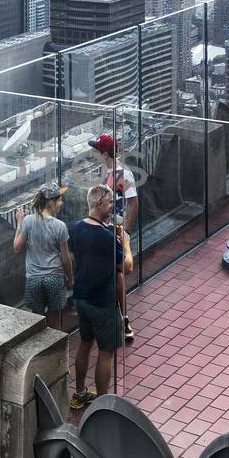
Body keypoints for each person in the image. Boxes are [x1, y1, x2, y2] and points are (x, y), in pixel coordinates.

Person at [68, 184, 126, 410]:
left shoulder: (75, 228)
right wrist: (125, 244)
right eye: (110, 202)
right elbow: (125, 266)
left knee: (85, 343)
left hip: (81, 296)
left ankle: (80, 392)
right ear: (100, 204)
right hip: (102, 300)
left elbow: (76, 255)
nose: (112, 206)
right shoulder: (106, 237)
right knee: (106, 351)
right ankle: (102, 405)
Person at [88, 133, 139, 343]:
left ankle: (123, 318)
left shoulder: (123, 175)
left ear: (105, 153)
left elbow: (134, 203)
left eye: (97, 150)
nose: (94, 153)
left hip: (113, 230)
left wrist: (125, 232)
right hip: (102, 227)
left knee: (119, 273)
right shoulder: (108, 171)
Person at [13, 185, 73, 331]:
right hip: (54, 278)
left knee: (37, 324)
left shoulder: (28, 221)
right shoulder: (60, 226)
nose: (61, 203)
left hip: (33, 278)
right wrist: (70, 278)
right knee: (55, 324)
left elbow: (17, 248)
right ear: (51, 203)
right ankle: (56, 351)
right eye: (59, 200)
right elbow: (65, 258)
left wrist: (19, 223)